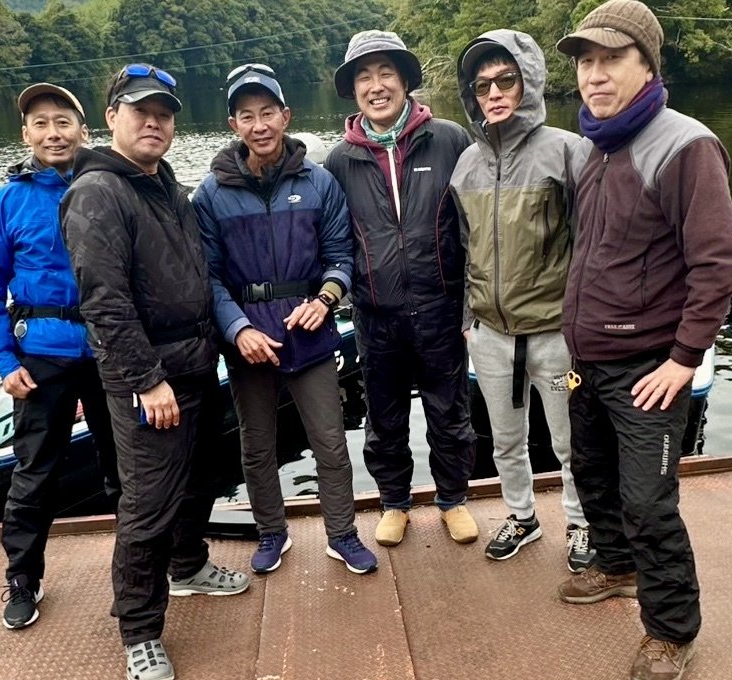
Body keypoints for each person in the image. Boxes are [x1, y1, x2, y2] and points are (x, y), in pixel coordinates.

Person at [555, 1, 732, 680]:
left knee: (649, 504)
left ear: (647, 66)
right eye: (585, 61)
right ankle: (616, 565)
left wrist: (684, 359)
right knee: (594, 478)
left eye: (611, 59)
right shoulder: (595, 147)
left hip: (649, 368)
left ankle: (671, 631)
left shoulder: (686, 145)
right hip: (588, 361)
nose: (594, 75)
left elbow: (718, 265)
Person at [60, 64, 250, 680]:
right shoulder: (97, 192)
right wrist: (146, 379)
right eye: (140, 111)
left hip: (196, 363)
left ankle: (189, 564)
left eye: (164, 114)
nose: (154, 123)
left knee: (201, 478)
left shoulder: (164, 185)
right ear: (111, 117)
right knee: (146, 505)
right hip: (149, 378)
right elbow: (104, 301)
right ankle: (139, 631)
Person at [191, 64, 378, 576]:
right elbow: (208, 278)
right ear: (233, 124)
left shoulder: (319, 183)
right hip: (248, 340)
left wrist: (325, 299)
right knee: (256, 446)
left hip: (309, 332)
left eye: (268, 112)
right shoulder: (210, 195)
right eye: (247, 115)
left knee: (330, 442)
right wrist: (238, 330)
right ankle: (272, 531)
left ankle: (342, 534)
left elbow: (340, 256)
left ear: (286, 116)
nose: (260, 125)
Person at [0, 83, 120, 631]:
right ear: (25, 134)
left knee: (126, 465)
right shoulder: (6, 203)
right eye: (41, 124)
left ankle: (143, 563)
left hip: (108, 350)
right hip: (41, 357)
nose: (53, 133)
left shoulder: (109, 185)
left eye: (63, 121)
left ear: (84, 129)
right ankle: (23, 577)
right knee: (35, 472)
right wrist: (5, 363)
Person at [324, 31, 479, 548]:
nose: (376, 86)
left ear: (405, 80)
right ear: (353, 90)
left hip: (442, 307)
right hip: (375, 314)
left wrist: (470, 308)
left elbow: (474, 228)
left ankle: (453, 498)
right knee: (383, 417)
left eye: (386, 73)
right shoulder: (339, 160)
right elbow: (334, 240)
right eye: (364, 77)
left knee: (450, 412)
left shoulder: (450, 139)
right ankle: (394, 501)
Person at [450, 32, 596, 571]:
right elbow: (464, 248)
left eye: (505, 80)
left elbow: (591, 245)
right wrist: (468, 319)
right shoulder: (465, 164)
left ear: (528, 82)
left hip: (555, 335)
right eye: (482, 85)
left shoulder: (569, 150)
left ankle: (582, 523)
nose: (494, 93)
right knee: (505, 441)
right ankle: (522, 516)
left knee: (570, 442)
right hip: (490, 335)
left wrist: (582, 325)